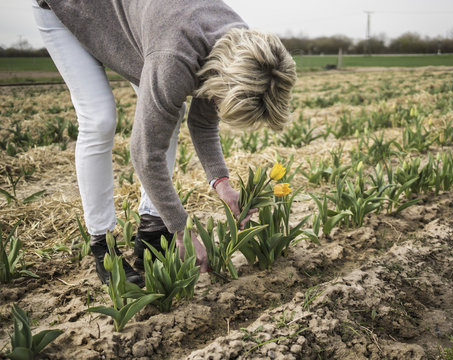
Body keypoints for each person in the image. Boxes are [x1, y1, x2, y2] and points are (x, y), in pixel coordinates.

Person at [31, 0, 297, 286]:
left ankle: (152, 229)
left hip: (137, 23)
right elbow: (145, 154)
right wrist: (182, 230)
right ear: (223, 79)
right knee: (100, 119)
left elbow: (203, 122)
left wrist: (223, 184)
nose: (217, 104)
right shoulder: (175, 58)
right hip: (68, 8)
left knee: (171, 111)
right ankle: (102, 242)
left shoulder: (242, 51)